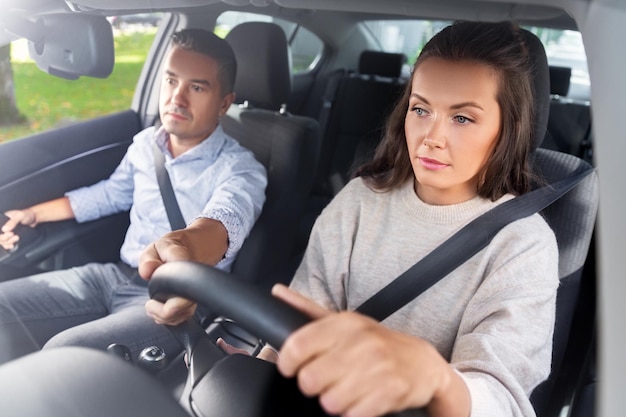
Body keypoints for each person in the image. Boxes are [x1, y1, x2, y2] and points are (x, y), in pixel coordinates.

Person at [143, 21, 557, 417]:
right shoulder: (360, 199)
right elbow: (302, 317)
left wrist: (436, 381)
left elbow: (503, 399)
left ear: (508, 129)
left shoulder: (522, 243)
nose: (432, 136)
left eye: (462, 117)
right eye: (421, 109)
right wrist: (263, 365)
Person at [0, 28, 267, 365]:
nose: (177, 99)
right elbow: (110, 194)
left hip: (175, 296)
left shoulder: (241, 169)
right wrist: (34, 214)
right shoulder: (145, 144)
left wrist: (186, 254)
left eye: (196, 87)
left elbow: (228, 217)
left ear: (224, 103)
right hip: (112, 275)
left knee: (62, 356)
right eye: (171, 81)